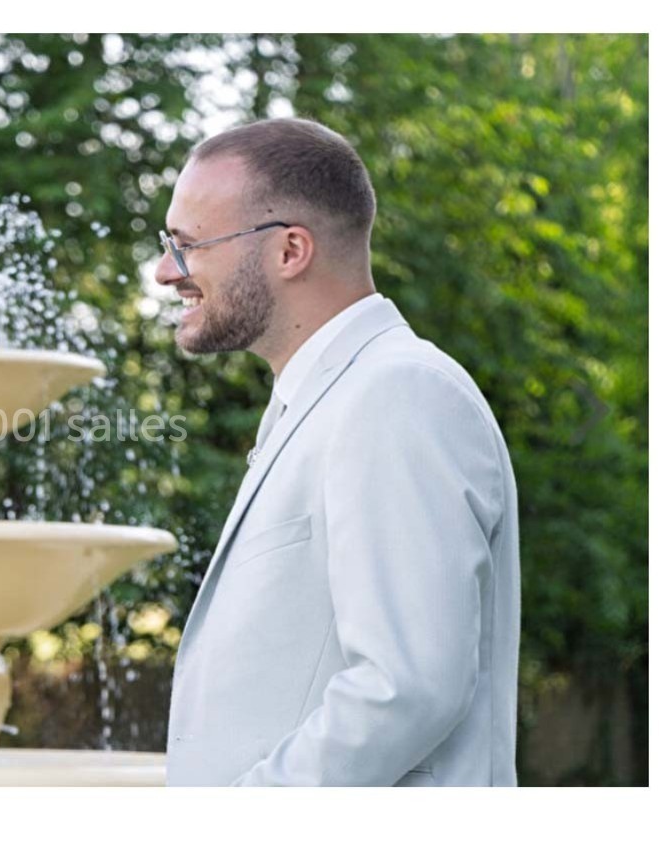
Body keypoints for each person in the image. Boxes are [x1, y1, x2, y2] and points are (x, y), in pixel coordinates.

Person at [157, 118, 520, 786]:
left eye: (187, 247)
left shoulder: (398, 393)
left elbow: (405, 687)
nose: (163, 272)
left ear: (290, 250)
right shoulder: (326, 400)